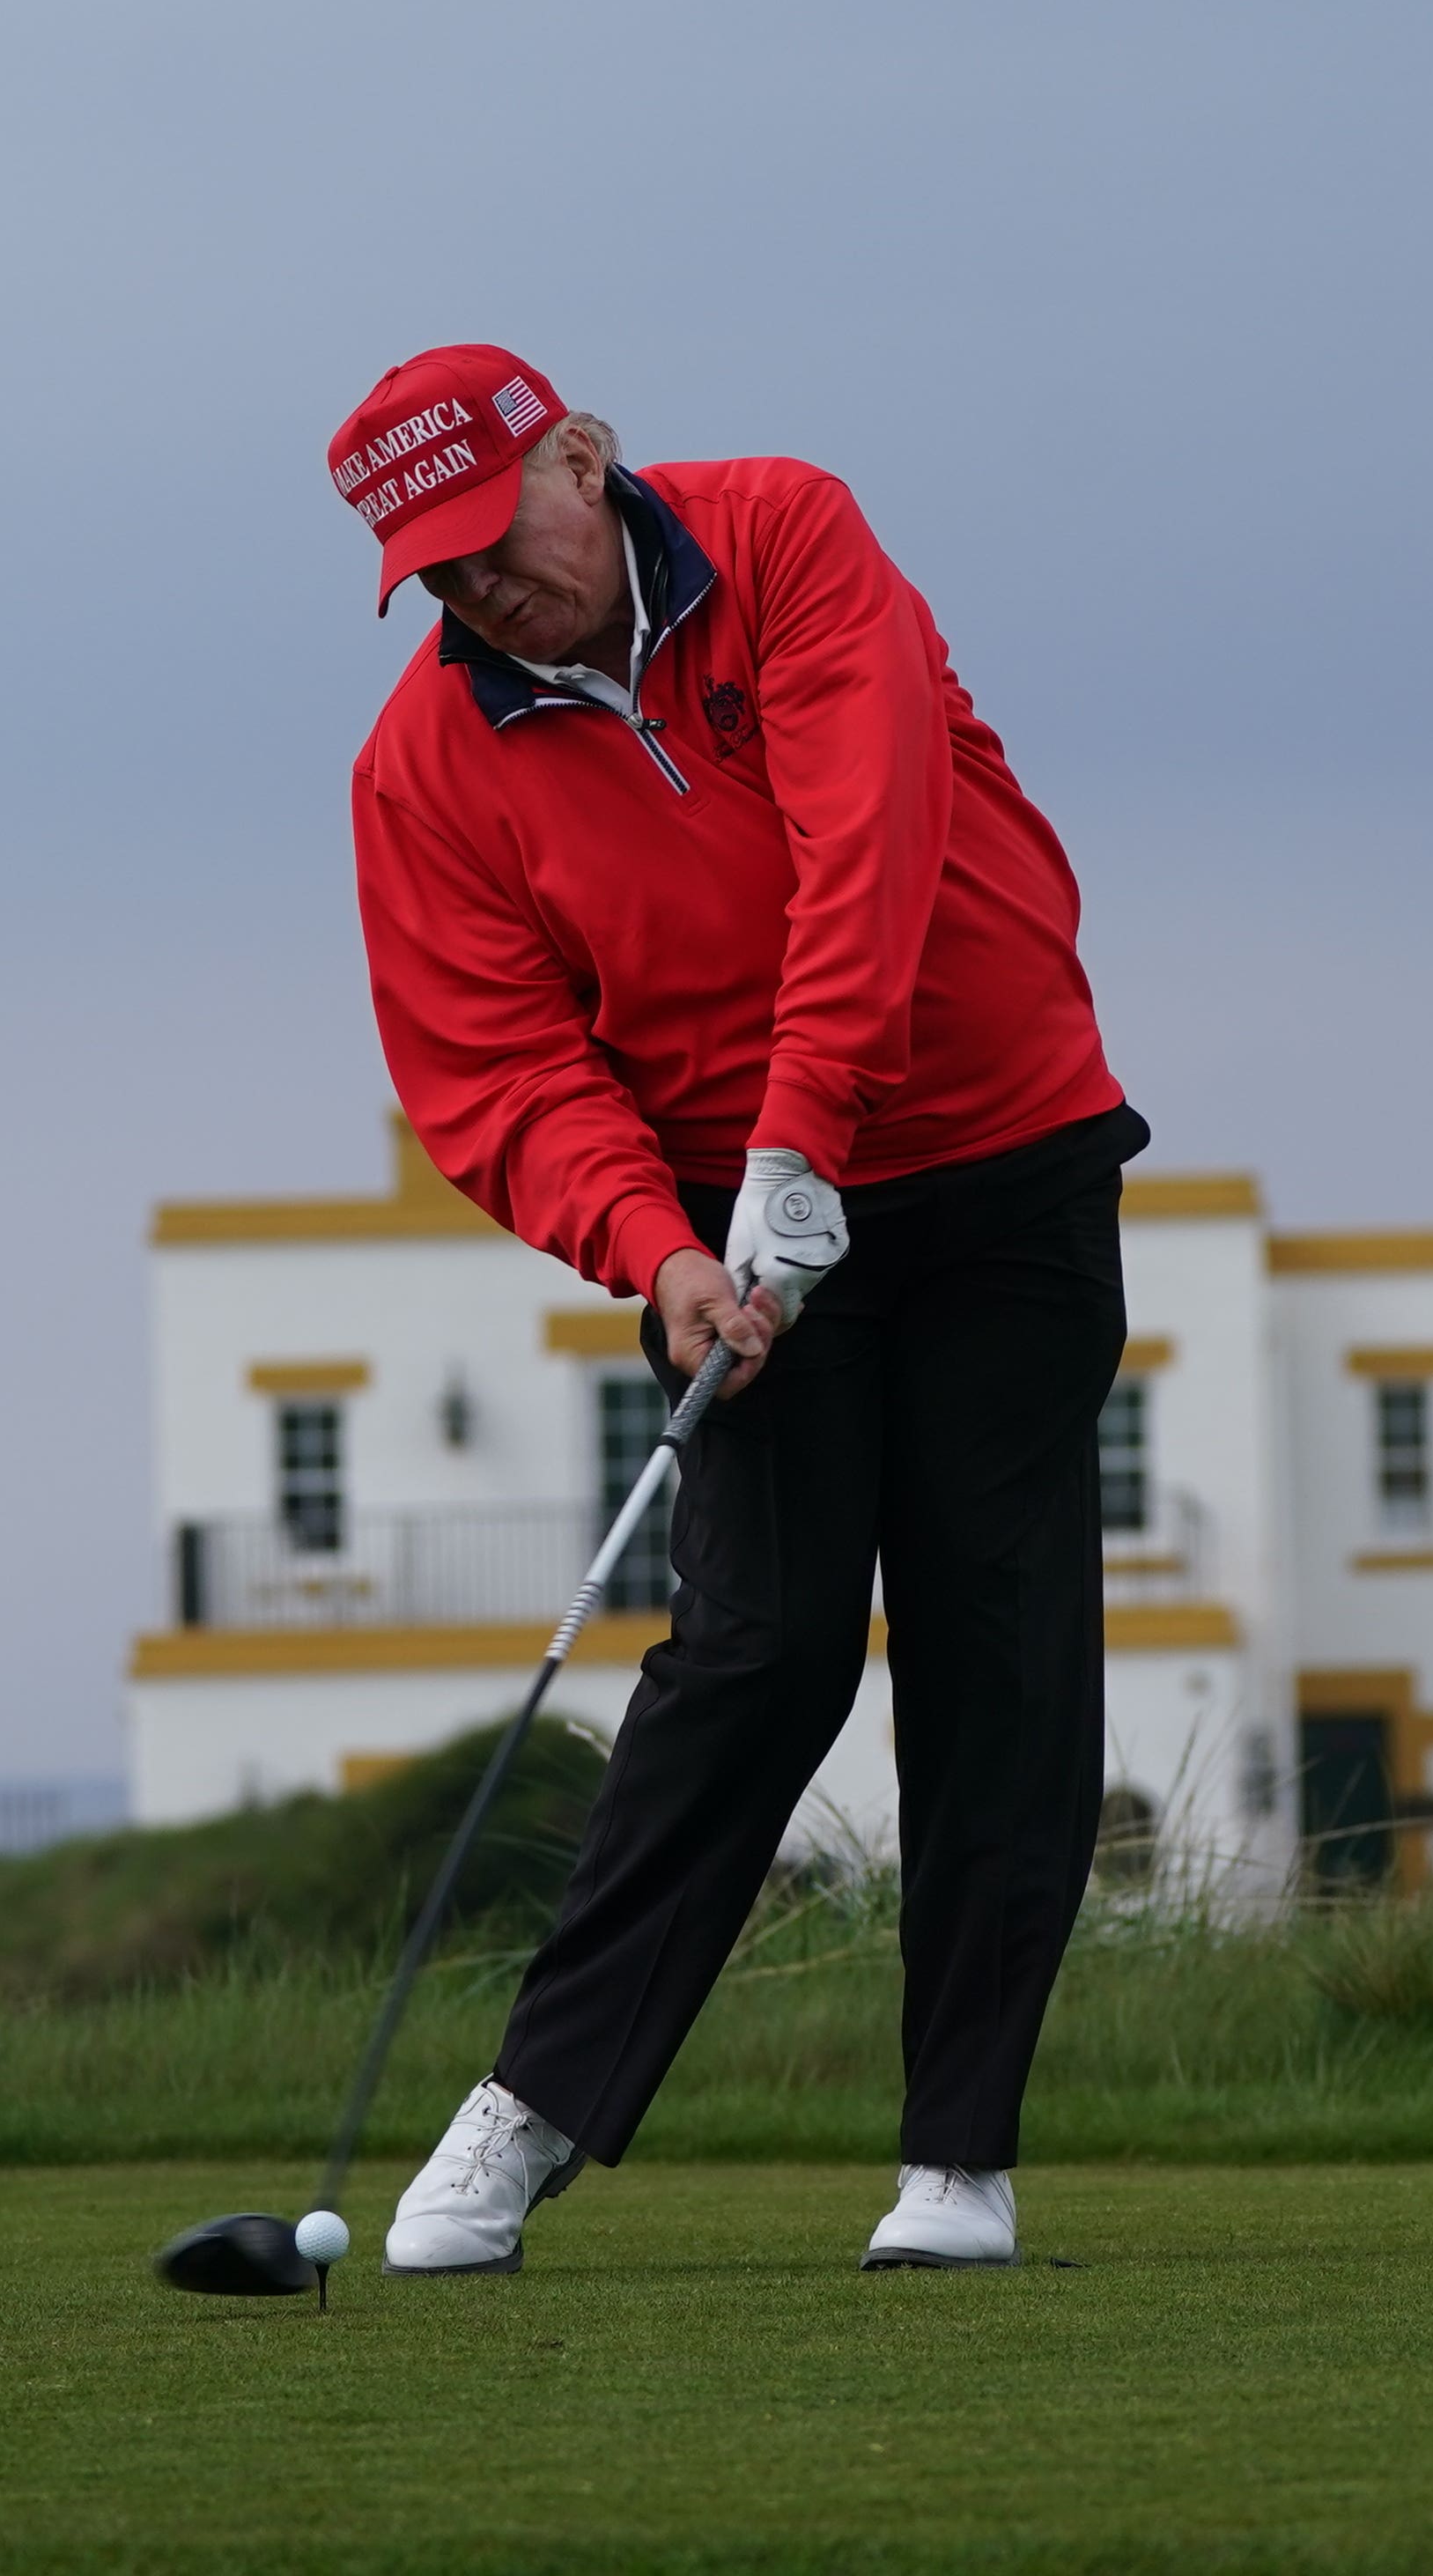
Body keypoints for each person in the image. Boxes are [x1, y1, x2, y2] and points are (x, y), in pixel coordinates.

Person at [333, 346, 1143, 2276]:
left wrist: (803, 1134)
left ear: (587, 458)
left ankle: (959, 2157)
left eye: (494, 539)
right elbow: (497, 1067)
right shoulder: (426, 763)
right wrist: (661, 1248)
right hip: (729, 1224)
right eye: (432, 572)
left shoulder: (787, 535)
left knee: (995, 1629)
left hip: (996, 1146)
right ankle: (527, 2114)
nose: (480, 593)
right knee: (758, 1645)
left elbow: (876, 842)